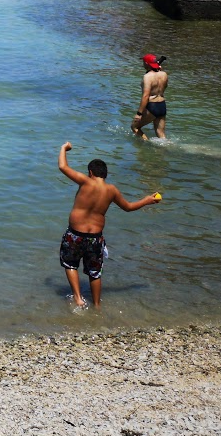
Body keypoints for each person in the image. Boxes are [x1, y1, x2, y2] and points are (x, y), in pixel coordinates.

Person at [56, 142, 161, 308]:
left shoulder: (85, 181)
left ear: (90, 172)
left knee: (70, 265)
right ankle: (97, 305)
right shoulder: (112, 190)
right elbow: (128, 207)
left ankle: (78, 299)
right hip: (95, 238)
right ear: (105, 174)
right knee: (95, 273)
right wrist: (147, 200)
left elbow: (63, 166)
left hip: (75, 234)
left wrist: (64, 148)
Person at [131, 54, 169, 139]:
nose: (143, 64)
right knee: (160, 133)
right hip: (162, 105)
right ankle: (165, 149)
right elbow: (165, 86)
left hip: (152, 106)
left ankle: (147, 144)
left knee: (135, 127)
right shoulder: (164, 74)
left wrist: (139, 113)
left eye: (143, 62)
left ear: (147, 64)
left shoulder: (147, 77)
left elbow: (145, 96)